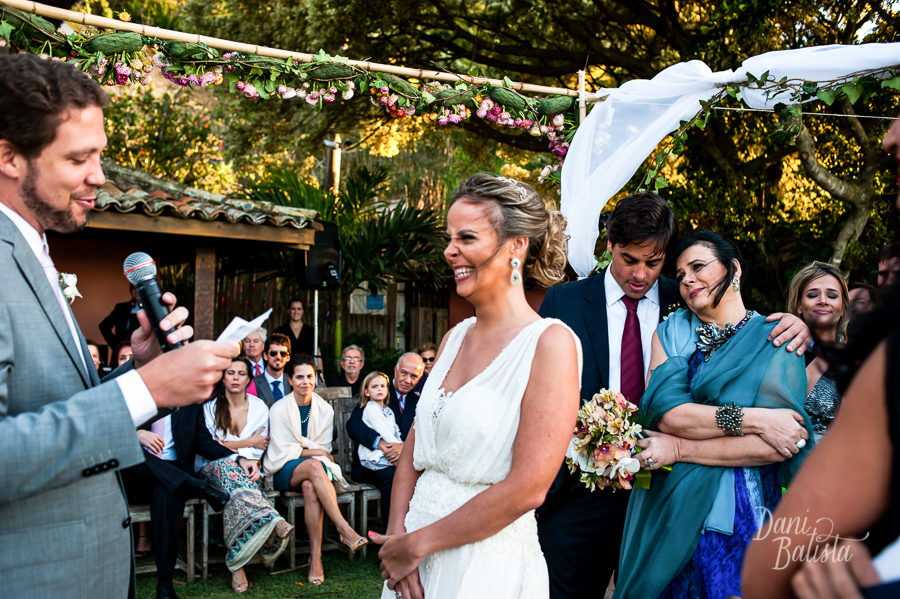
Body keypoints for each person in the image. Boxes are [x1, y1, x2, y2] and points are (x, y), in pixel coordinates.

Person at [0, 53, 239, 599]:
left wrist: (143, 364)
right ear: (9, 157)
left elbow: (49, 405)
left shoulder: (34, 245)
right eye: (79, 158)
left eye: (100, 155)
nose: (100, 177)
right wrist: (143, 390)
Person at [536, 192, 812, 599]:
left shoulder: (683, 298)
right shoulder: (566, 300)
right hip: (583, 492)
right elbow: (540, 390)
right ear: (609, 246)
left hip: (664, 488)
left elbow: (739, 325)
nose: (641, 275)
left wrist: (796, 323)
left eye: (655, 262)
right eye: (630, 259)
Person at [369, 173, 582, 599]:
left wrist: (418, 544)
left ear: (515, 245)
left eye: (466, 237)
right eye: (449, 238)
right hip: (412, 551)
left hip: (485, 560)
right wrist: (397, 538)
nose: (450, 251)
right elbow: (414, 444)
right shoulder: (453, 338)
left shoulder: (550, 344)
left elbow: (529, 487)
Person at [742, 114, 900, 599]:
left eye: (835, 293)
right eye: (814, 295)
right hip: (793, 495)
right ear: (797, 303)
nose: (890, 134)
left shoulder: (868, 357)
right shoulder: (773, 348)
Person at [614, 231, 814, 599]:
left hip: (745, 512)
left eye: (698, 266)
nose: (687, 278)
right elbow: (671, 415)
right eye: (680, 273)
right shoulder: (670, 333)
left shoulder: (777, 337)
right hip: (670, 508)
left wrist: (677, 449)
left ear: (733, 269)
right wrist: (757, 420)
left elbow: (778, 446)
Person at [264, 355, 369, 586]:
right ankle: (343, 528)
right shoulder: (279, 409)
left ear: (315, 378)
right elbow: (284, 451)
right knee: (314, 465)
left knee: (311, 488)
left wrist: (314, 452)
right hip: (283, 469)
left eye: (309, 376)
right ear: (289, 380)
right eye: (299, 377)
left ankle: (316, 559)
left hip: (312, 472)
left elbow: (323, 449)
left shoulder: (324, 410)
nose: (305, 381)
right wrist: (315, 453)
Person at [197, 356, 294, 593]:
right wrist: (246, 443)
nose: (236, 378)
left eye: (241, 373)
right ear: (223, 377)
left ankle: (236, 565)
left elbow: (258, 448)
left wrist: (233, 446)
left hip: (248, 470)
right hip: (211, 468)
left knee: (236, 492)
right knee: (226, 468)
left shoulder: (259, 406)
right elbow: (211, 447)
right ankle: (272, 519)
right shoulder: (209, 407)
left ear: (249, 378)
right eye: (230, 373)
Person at [346, 352, 424, 530]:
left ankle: (413, 530)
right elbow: (353, 425)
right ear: (396, 371)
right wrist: (381, 443)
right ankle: (392, 533)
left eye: (414, 376)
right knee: (395, 478)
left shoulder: (418, 402)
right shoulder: (378, 390)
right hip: (371, 464)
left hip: (403, 461)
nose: (407, 379)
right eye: (404, 373)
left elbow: (424, 434)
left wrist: (404, 448)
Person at [787, 261, 849, 441]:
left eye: (832, 295)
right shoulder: (776, 350)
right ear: (799, 305)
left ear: (843, 307)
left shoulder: (858, 360)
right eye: (813, 295)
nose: (823, 301)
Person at [357, 372, 401, 471]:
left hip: (388, 449)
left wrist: (402, 444)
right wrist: (398, 446)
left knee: (406, 465)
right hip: (374, 455)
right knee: (404, 466)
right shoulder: (371, 408)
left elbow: (395, 430)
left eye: (382, 386)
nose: (379, 389)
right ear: (367, 392)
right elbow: (382, 430)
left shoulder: (387, 410)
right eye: (374, 386)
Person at [251, 333, 292, 406]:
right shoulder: (253, 383)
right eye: (273, 353)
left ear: (288, 357)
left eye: (283, 354)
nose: (278, 357)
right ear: (265, 356)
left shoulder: (293, 382)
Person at [99, 285, 141, 349]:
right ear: (130, 290)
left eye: (139, 287)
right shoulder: (121, 308)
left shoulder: (151, 308)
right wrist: (116, 345)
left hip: (143, 350)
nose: (136, 290)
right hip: (122, 351)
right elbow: (104, 326)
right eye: (134, 288)